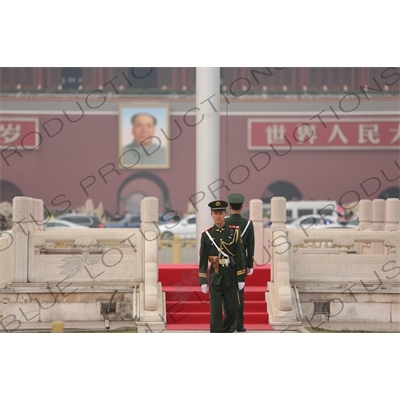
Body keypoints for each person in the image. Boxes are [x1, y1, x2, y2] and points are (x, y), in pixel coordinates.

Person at [199, 200, 246, 333]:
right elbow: (203, 260)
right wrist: (202, 280)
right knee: (215, 311)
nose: (218, 216)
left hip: (231, 275)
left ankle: (223, 330)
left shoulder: (234, 232)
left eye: (220, 213)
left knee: (233, 308)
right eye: (215, 213)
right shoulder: (207, 235)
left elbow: (240, 255)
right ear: (211, 215)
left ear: (225, 213)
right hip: (215, 276)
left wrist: (241, 277)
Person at [225, 193, 255, 332]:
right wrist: (250, 264)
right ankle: (239, 325)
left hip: (224, 262)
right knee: (239, 295)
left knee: (226, 294)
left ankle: (229, 324)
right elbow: (251, 246)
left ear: (229, 207)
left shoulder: (222, 222)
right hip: (241, 262)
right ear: (242, 207)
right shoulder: (248, 224)